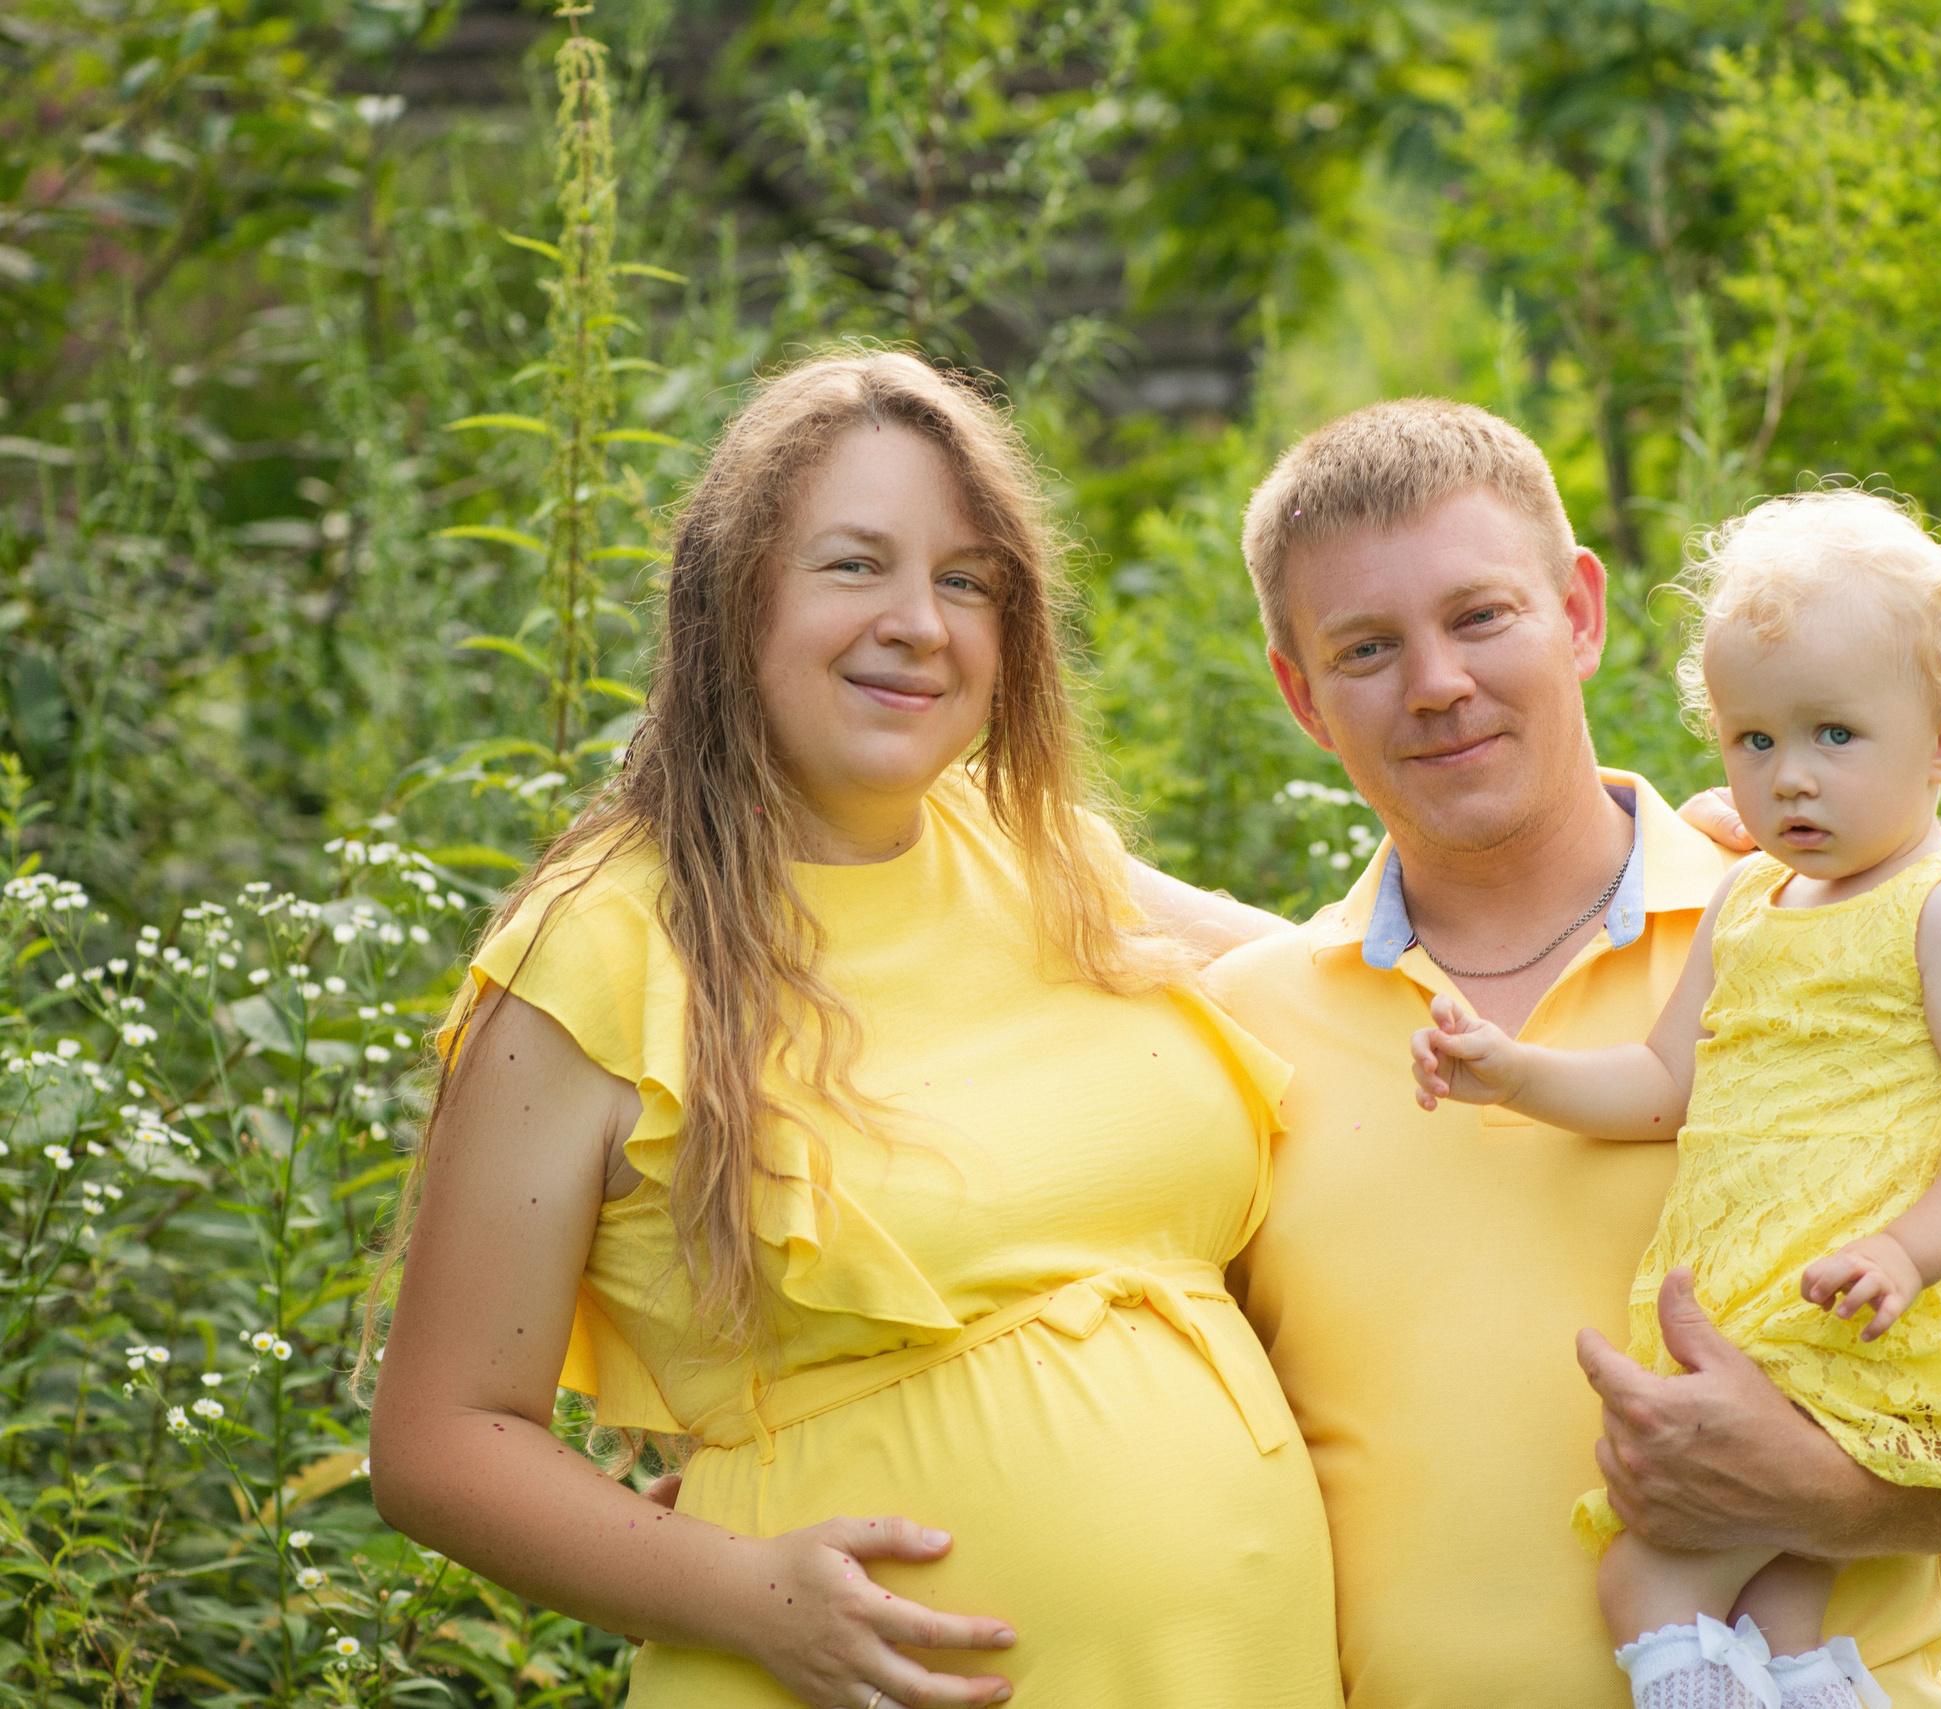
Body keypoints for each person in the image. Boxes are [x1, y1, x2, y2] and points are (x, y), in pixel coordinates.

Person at [365, 349, 1340, 1709]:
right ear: (734, 598)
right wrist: (745, 1594)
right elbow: (439, 1438)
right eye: (854, 565)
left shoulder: (1048, 858)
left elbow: (1358, 985)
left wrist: (1656, 875)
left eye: (967, 580)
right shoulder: (600, 950)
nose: (920, 623)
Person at [1205, 399, 1941, 1707]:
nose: (1437, 682)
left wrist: (1811, 1493)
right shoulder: (1240, 1032)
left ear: (1580, 613)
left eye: (1480, 615)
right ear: (1302, 695)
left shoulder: (1830, 926)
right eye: (1366, 647)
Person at [1410, 489, 1941, 1708]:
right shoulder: (1749, 899)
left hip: (1853, 1308)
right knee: (1777, 1610)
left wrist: (1906, 1251)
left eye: (1834, 735)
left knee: (1646, 1580)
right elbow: (1663, 1082)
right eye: (1752, 741)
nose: (1788, 778)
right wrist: (1516, 1070)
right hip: (1765, 1297)